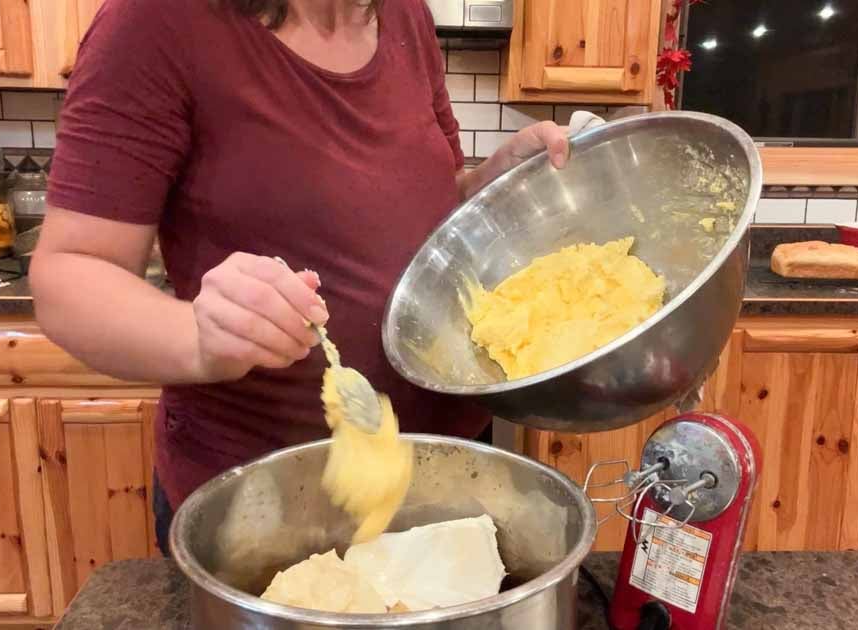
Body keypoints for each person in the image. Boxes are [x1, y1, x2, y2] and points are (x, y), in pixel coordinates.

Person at [32, 0, 570, 555]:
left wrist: (494, 184)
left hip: (445, 480)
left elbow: (423, 203)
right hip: (267, 510)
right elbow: (68, 275)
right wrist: (197, 336)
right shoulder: (154, 21)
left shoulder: (404, 15)